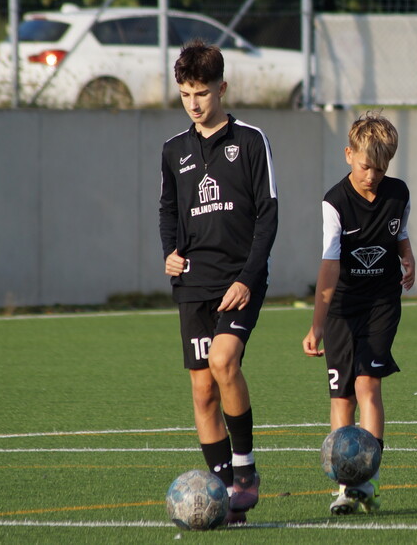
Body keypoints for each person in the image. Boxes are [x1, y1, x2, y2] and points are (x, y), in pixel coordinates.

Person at [159, 40, 279, 526]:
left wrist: (248, 278)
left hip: (238, 280)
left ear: (222, 88)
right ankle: (224, 493)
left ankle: (245, 471)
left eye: (202, 92)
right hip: (193, 284)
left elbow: (268, 215)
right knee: (202, 391)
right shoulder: (174, 150)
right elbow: (168, 210)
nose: (194, 103)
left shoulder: (250, 141)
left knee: (224, 361)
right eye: (186, 93)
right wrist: (169, 252)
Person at [303, 112, 415, 514]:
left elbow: (399, 232)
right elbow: (330, 265)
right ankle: (345, 484)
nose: (372, 176)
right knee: (342, 397)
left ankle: (369, 481)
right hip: (342, 307)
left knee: (368, 385)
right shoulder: (334, 202)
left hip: (382, 303)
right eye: (366, 166)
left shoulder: (398, 193)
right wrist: (317, 325)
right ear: (348, 154)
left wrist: (408, 257)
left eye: (381, 169)